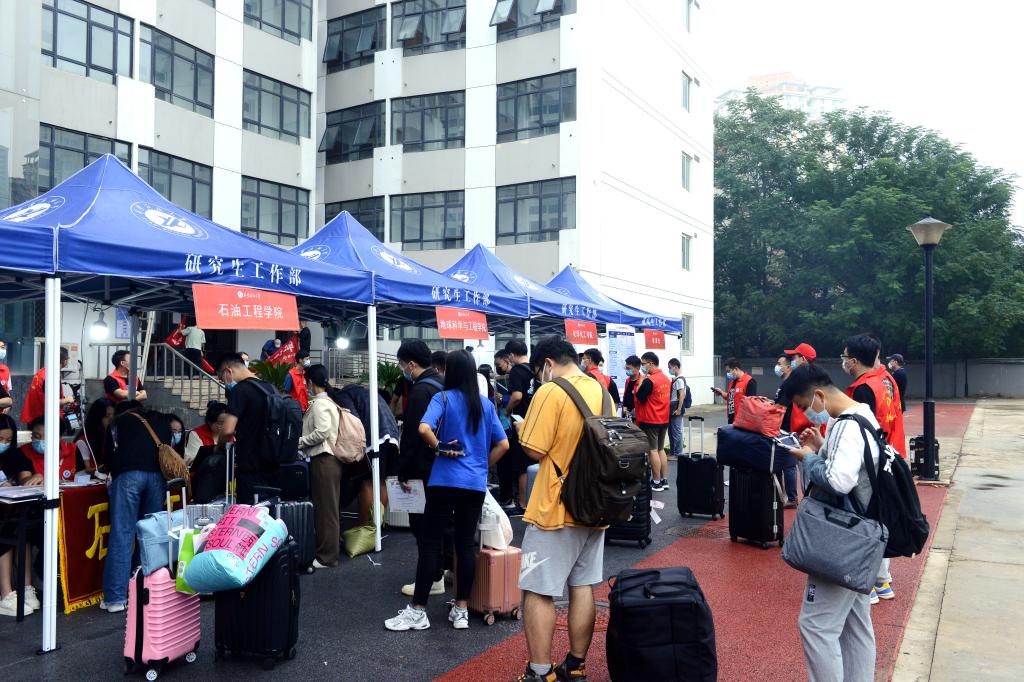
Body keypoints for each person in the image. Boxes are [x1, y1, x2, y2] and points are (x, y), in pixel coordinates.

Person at [385, 351, 509, 632]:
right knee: (465, 546)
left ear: (449, 372)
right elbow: (504, 445)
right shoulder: (485, 405)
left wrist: (439, 447)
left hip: (443, 482)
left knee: (431, 544)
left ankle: (418, 611)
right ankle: (461, 610)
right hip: (474, 485)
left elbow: (423, 428)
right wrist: (480, 466)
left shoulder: (442, 398)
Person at [514, 336, 607, 682]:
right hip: (596, 503)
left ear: (548, 364)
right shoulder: (601, 391)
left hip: (556, 505)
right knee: (582, 586)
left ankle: (540, 672)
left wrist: (522, 429)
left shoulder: (550, 392)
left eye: (539, 371)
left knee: (538, 590)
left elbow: (534, 450)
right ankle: (576, 665)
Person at [783, 363, 881, 682]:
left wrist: (808, 457)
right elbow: (851, 468)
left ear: (819, 395)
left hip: (841, 538)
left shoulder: (846, 425)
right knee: (856, 625)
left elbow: (839, 481)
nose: (806, 413)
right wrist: (821, 446)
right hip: (861, 535)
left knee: (816, 626)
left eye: (803, 405)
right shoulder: (863, 415)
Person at [842, 334, 906, 605]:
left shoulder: (862, 389)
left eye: (845, 357)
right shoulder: (887, 379)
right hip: (892, 455)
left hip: (871, 462)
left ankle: (866, 583)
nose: (843, 362)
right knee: (881, 518)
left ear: (854, 361)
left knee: (865, 519)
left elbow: (860, 430)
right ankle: (882, 581)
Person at [101, 402, 171, 613]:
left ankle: (116, 598)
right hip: (157, 478)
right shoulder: (161, 419)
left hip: (128, 477)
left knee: (122, 533)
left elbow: (109, 457)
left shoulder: (119, 422)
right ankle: (144, 590)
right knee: (150, 535)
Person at [395, 340, 447, 597]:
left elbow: (412, 438)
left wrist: (402, 471)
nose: (402, 369)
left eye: (402, 365)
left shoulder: (419, 392)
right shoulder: (443, 385)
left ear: (411, 364)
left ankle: (432, 578)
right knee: (441, 523)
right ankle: (443, 570)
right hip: (444, 466)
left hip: (422, 468)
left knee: (423, 527)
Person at [218, 353, 282, 503]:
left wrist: (218, 446)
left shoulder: (240, 390)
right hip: (273, 464)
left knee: (249, 513)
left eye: (222, 379)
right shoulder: (271, 389)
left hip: (250, 466)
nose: (224, 383)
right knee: (269, 511)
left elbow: (227, 430)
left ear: (228, 371)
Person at [297, 364, 343, 570]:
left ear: (310, 382)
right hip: (329, 460)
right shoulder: (329, 401)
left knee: (326, 511)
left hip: (324, 459)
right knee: (329, 509)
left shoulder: (319, 404)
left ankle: (327, 556)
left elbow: (322, 431)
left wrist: (300, 441)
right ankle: (328, 552)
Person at [0, 414, 40, 617]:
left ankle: (25, 587)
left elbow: (21, 479)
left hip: (8, 510)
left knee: (20, 531)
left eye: (8, 440)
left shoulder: (12, 456)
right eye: (0, 439)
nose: (4, 444)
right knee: (5, 535)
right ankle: (6, 594)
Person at [500, 340, 535, 514]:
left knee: (522, 465)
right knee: (533, 462)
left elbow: (517, 396)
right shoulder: (535, 369)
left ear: (512, 355)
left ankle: (522, 504)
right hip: (535, 419)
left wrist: (507, 411)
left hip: (521, 421)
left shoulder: (516, 371)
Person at [634, 352, 672, 491]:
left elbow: (639, 397)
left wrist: (641, 382)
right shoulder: (666, 379)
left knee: (653, 450)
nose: (642, 367)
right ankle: (664, 479)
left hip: (650, 419)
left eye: (643, 364)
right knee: (661, 449)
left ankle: (656, 482)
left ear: (650, 363)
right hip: (664, 419)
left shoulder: (650, 381)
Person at [773, 354, 804, 507]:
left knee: (789, 464)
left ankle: (792, 498)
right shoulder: (784, 383)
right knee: (782, 462)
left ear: (788, 366)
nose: (777, 367)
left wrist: (768, 408)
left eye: (780, 364)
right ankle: (783, 496)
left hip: (787, 428)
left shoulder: (789, 383)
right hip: (780, 427)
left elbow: (782, 406)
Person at [19, 417, 82, 484]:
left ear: (60, 437)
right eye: (36, 436)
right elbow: (24, 480)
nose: (41, 440)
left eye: (48, 437)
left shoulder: (73, 449)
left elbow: (82, 475)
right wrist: (33, 478)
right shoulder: (24, 452)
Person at [183, 401, 231, 466]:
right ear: (210, 422)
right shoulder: (197, 434)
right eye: (220, 423)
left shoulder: (230, 435)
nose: (225, 426)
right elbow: (192, 460)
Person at [712, 358, 756, 424]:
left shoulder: (749, 381)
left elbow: (751, 404)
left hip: (742, 422)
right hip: (731, 419)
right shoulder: (732, 382)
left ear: (735, 369)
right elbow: (730, 397)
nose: (727, 374)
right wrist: (721, 393)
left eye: (728, 371)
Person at [77, 398, 114, 474]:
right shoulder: (83, 441)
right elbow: (86, 470)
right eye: (107, 416)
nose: (111, 420)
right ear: (97, 418)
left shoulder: (113, 435)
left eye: (114, 415)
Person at [666, 358, 687, 458]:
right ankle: (673, 451)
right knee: (671, 431)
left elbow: (681, 395)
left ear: (675, 367)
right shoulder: (677, 379)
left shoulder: (679, 380)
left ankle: (678, 453)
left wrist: (678, 409)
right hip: (672, 407)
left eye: (670, 367)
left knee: (676, 431)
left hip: (676, 407)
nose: (669, 369)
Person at [0, 338, 12, 412]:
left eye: (2, 347)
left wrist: (8, 406)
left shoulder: (6, 369)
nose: (1, 350)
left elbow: (7, 392)